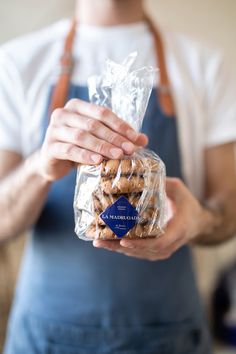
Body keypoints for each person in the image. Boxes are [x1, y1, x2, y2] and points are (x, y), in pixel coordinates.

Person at [0, 0, 236, 353]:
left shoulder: (205, 64)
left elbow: (229, 211)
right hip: (45, 335)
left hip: (170, 335)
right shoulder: (16, 62)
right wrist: (39, 167)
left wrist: (198, 220)